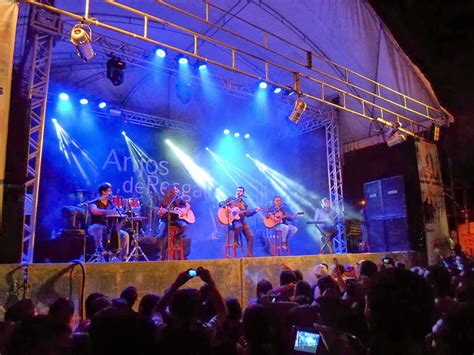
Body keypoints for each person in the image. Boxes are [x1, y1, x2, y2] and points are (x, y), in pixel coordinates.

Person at [88, 182, 129, 260]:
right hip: (95, 227)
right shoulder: (94, 202)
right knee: (98, 227)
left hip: (108, 228)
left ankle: (123, 257)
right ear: (103, 192)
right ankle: (100, 251)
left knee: (124, 235)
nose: (111, 193)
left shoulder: (111, 203)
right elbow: (94, 211)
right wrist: (109, 212)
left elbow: (116, 211)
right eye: (109, 191)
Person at [219, 186, 261, 257]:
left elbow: (247, 214)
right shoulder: (231, 198)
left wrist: (255, 211)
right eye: (237, 191)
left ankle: (250, 255)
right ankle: (235, 241)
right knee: (239, 226)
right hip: (233, 221)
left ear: (243, 193)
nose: (239, 192)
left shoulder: (244, 204)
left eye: (240, 191)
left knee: (251, 236)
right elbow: (221, 204)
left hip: (242, 220)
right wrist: (227, 208)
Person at [156, 185, 191, 259]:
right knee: (160, 234)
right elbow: (159, 213)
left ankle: (177, 237)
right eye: (175, 190)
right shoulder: (164, 201)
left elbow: (188, 205)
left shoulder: (179, 199)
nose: (177, 191)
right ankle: (159, 253)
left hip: (176, 220)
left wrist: (185, 210)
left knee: (184, 225)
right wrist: (161, 212)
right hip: (165, 220)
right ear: (171, 191)